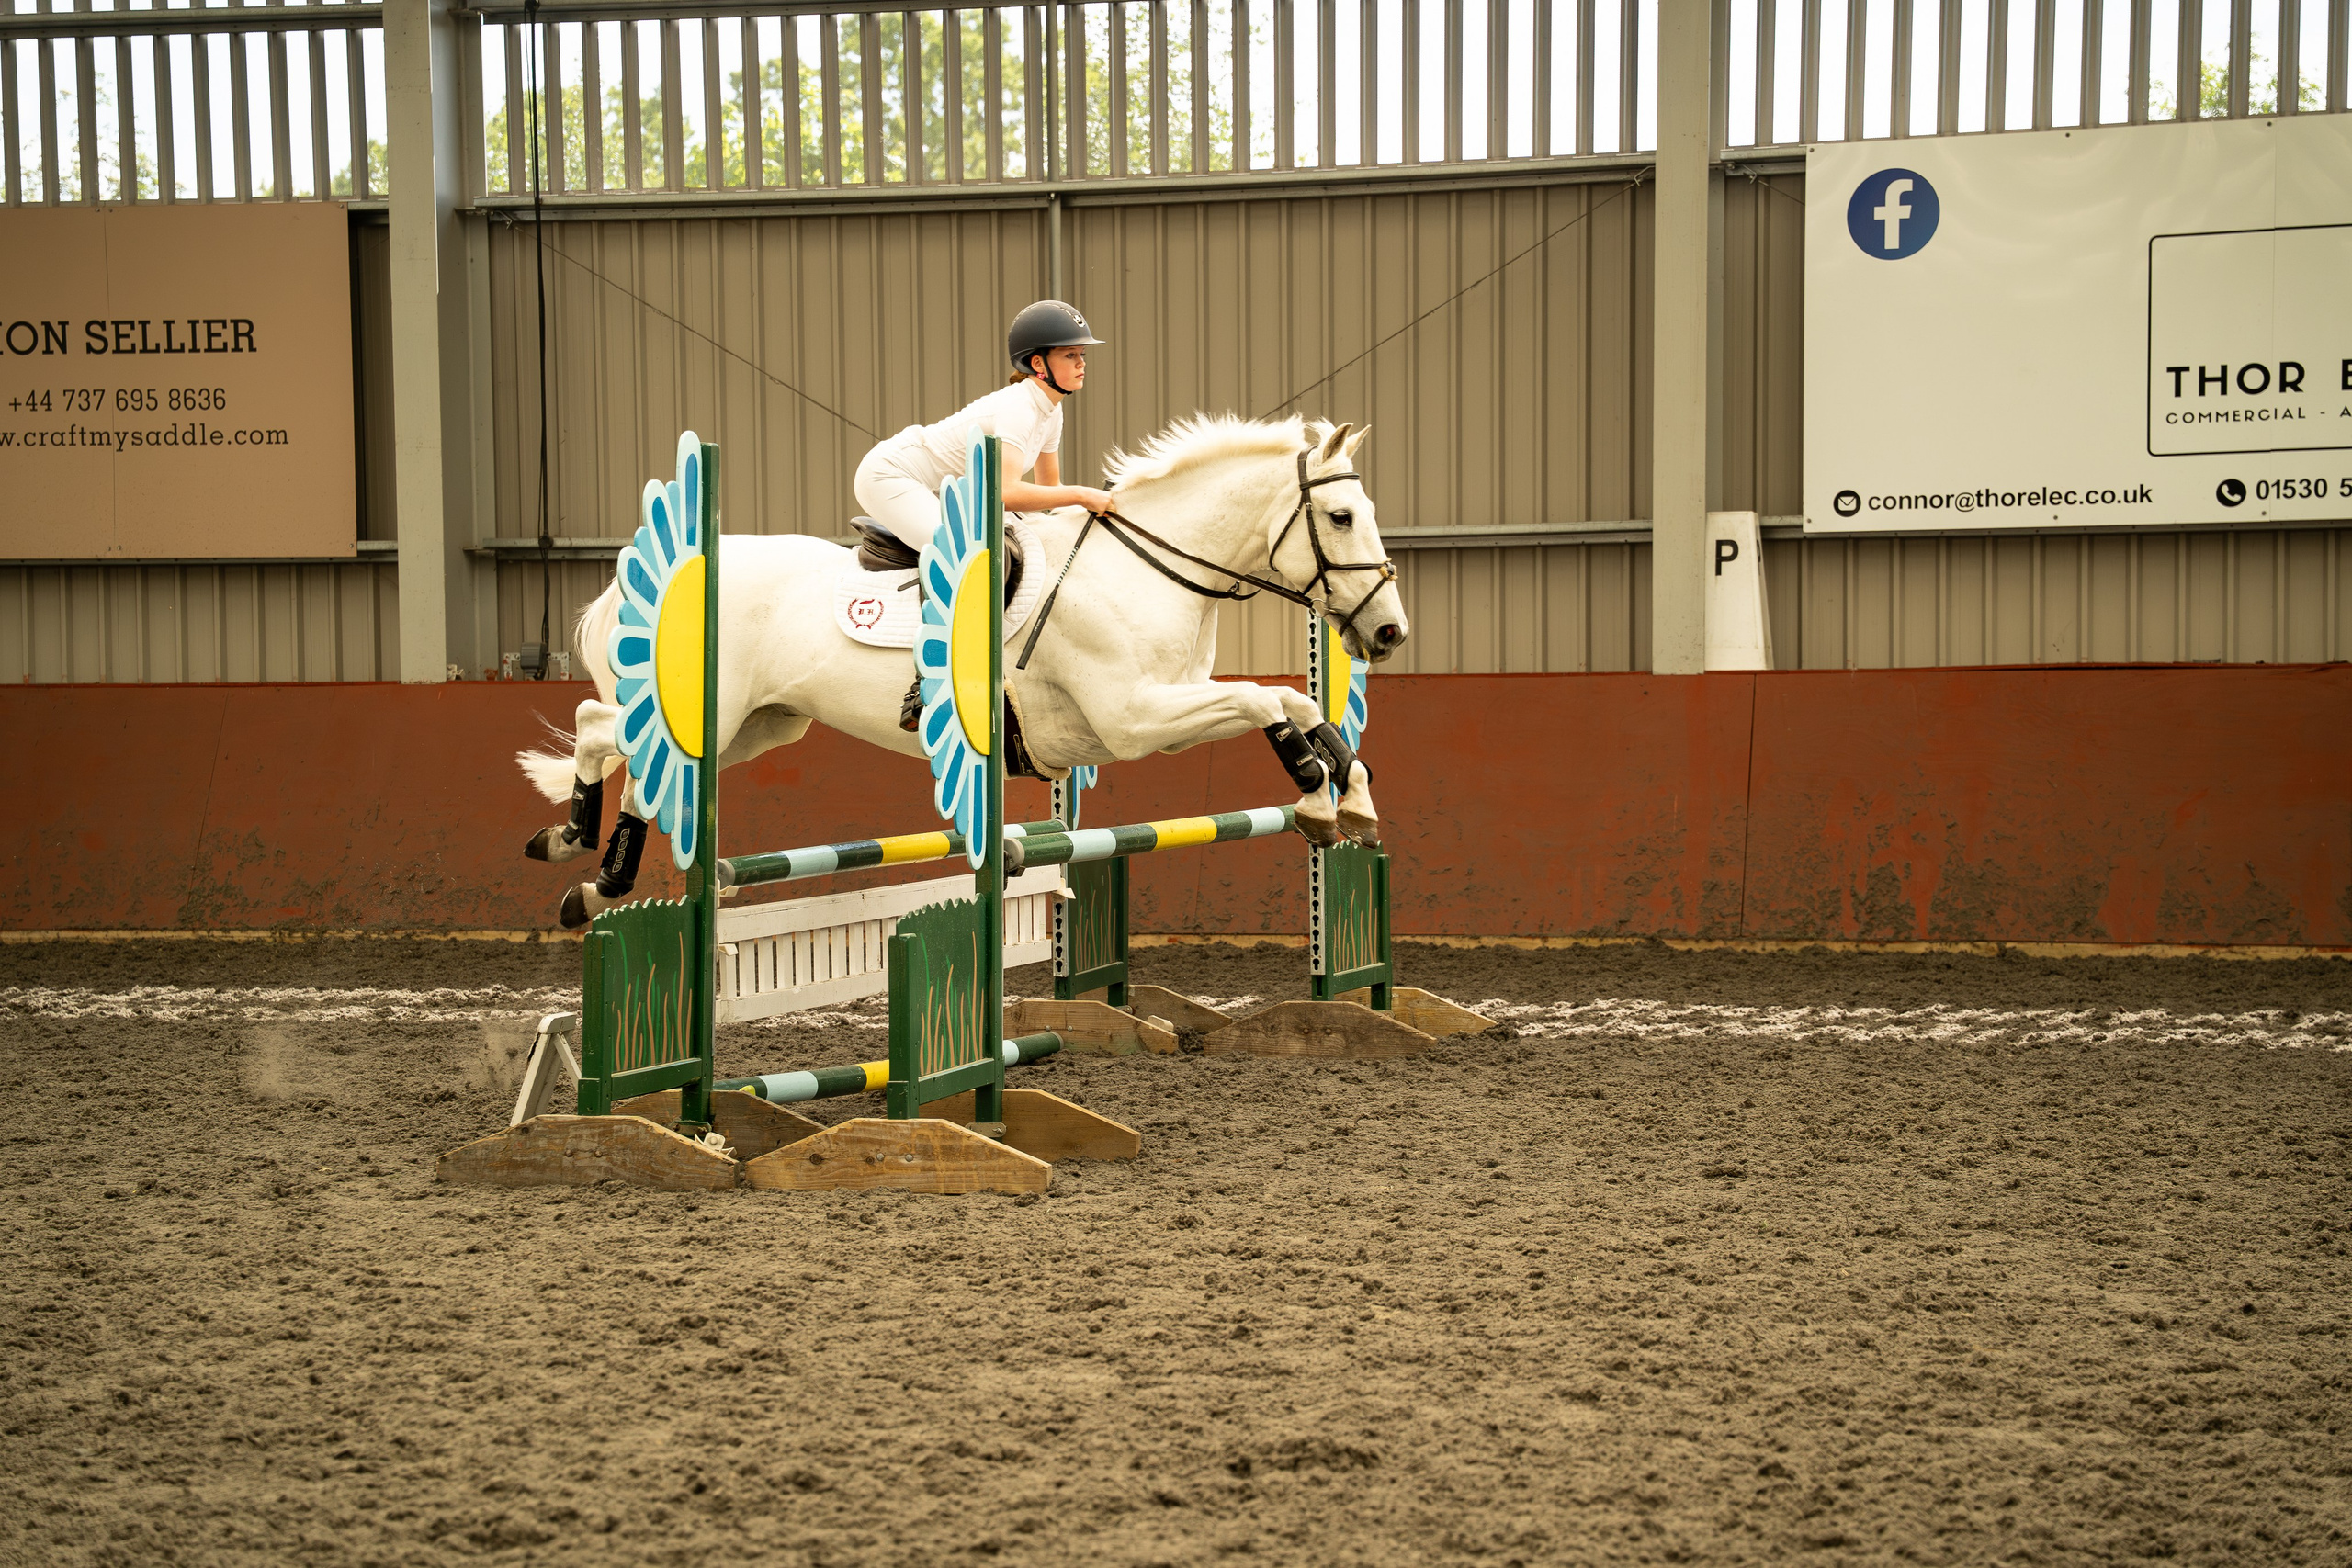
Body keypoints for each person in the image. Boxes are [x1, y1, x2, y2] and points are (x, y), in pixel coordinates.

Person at [854, 300, 1116, 729]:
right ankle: (928, 680)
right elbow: (1008, 493)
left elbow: (1049, 491)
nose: (1082, 363)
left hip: (938, 486)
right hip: (890, 476)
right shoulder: (1020, 407)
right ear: (1038, 364)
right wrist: (1085, 496)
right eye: (1071, 354)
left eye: (1082, 354)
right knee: (962, 556)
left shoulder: (1051, 410)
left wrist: (1102, 508)